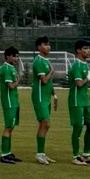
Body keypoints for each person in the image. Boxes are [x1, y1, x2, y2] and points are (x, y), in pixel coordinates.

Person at [67, 39, 90, 165]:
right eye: (85, 48)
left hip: (85, 101)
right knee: (78, 128)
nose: (88, 51)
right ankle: (75, 157)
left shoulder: (85, 65)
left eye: (89, 48)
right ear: (78, 51)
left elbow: (84, 87)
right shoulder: (76, 65)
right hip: (76, 101)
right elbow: (79, 83)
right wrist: (88, 77)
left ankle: (86, 155)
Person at [30, 36, 59, 165]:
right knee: (44, 123)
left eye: (49, 44)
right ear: (39, 47)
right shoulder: (38, 61)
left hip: (46, 96)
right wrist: (52, 71)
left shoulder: (46, 60)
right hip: (40, 97)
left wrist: (54, 93)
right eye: (45, 45)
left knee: (46, 124)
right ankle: (39, 154)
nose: (48, 47)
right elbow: (44, 80)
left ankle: (42, 153)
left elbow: (49, 83)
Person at [0, 46, 24, 163]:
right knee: (8, 127)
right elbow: (11, 86)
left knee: (11, 127)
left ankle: (8, 153)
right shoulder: (6, 68)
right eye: (14, 56)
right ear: (7, 56)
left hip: (13, 101)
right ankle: (4, 154)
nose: (16, 58)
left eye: (17, 56)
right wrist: (18, 80)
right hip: (8, 102)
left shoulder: (11, 67)